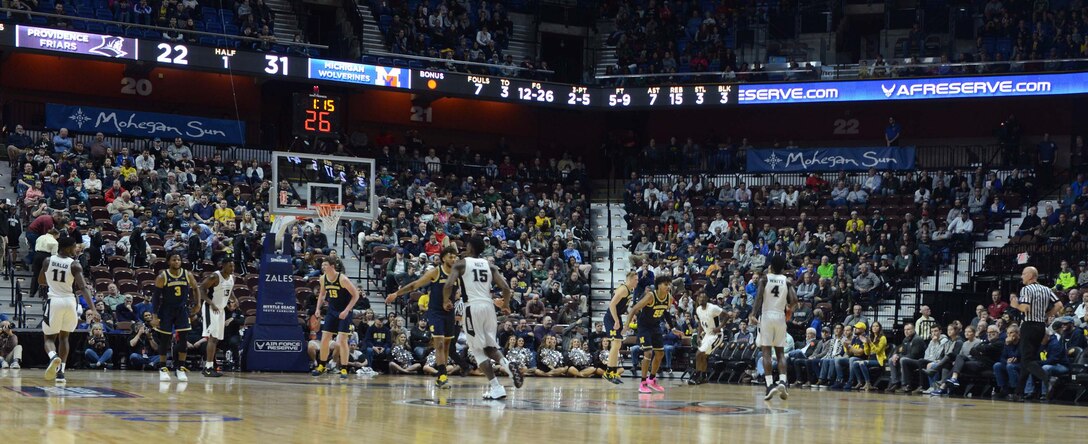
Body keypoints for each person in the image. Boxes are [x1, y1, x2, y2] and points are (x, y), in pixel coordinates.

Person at [444, 236, 522, 400]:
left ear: (470, 247)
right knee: (489, 346)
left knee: (477, 350)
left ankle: (497, 385)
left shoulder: (461, 264)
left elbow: (449, 284)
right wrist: (506, 305)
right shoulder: (490, 265)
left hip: (472, 307)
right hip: (489, 307)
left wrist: (446, 301)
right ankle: (506, 369)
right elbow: (506, 288)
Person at [386, 247, 459, 388]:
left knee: (447, 346)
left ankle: (442, 374)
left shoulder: (457, 274)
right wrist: (396, 294)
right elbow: (414, 285)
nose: (454, 259)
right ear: (443, 258)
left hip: (450, 313)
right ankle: (442, 376)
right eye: (451, 256)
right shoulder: (436, 272)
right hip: (435, 313)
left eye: (455, 257)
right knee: (439, 344)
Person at [38, 236, 97, 383]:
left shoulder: (48, 261)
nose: (76, 249)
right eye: (74, 246)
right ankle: (61, 373)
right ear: (67, 247)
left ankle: (53, 356)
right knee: (64, 337)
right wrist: (93, 309)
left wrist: (53, 282)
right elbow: (83, 287)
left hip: (54, 301)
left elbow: (41, 281)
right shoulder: (75, 264)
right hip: (70, 302)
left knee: (49, 338)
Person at [1008, 266, 1063, 401]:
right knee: (1028, 360)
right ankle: (1018, 393)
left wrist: (1015, 305)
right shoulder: (1047, 289)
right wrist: (1047, 315)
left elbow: (1025, 308)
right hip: (1041, 327)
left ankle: (1047, 378)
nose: (1022, 276)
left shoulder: (1026, 289)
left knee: (1027, 360)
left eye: (1023, 274)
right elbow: (1059, 305)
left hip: (1029, 326)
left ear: (1031, 276)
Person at [751, 255, 798, 401]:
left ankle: (770, 385)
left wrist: (753, 314)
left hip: (767, 316)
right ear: (783, 268)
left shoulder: (764, 279)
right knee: (780, 352)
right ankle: (783, 381)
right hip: (780, 317)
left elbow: (759, 298)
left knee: (766, 352)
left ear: (770, 266)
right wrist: (789, 308)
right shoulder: (787, 281)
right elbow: (794, 300)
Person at [152, 253, 202, 382]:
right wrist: (154, 315)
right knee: (165, 339)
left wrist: (198, 304)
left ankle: (180, 368)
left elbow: (196, 288)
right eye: (174, 260)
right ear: (168, 262)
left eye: (179, 260)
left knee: (183, 340)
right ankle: (163, 368)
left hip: (182, 310)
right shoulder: (162, 276)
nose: (177, 262)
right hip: (166, 310)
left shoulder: (187, 274)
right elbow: (156, 298)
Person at [312, 257, 361, 379]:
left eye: (325, 265)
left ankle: (344, 368)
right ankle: (322, 365)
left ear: (332, 266)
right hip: (332, 311)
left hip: (345, 311)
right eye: (322, 265)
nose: (323, 267)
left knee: (343, 340)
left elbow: (356, 295)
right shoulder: (323, 278)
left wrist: (346, 310)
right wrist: (318, 309)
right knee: (325, 338)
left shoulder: (343, 279)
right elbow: (322, 294)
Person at [627, 275, 675, 394]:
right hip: (644, 327)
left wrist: (673, 327)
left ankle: (651, 379)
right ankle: (643, 383)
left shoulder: (669, 298)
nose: (668, 287)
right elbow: (634, 308)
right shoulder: (650, 296)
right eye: (665, 284)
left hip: (655, 326)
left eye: (669, 284)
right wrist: (626, 325)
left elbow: (666, 313)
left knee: (660, 353)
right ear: (658, 285)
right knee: (648, 353)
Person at [198, 258, 237, 377]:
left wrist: (233, 300)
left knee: (216, 339)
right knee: (213, 337)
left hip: (221, 310)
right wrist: (211, 303)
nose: (232, 268)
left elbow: (229, 291)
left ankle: (210, 366)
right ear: (223, 266)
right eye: (230, 266)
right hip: (210, 308)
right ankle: (208, 367)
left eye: (233, 266)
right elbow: (201, 289)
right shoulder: (215, 276)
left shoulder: (232, 278)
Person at [603, 271, 636, 384]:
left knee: (617, 345)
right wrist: (616, 320)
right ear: (630, 279)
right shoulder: (623, 289)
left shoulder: (630, 290)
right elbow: (612, 304)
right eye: (635, 279)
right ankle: (608, 372)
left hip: (617, 317)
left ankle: (612, 372)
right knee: (615, 344)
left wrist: (629, 313)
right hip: (611, 317)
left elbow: (622, 305)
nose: (637, 281)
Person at [689, 291, 724, 385]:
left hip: (716, 335)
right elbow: (700, 323)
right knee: (703, 356)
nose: (701, 299)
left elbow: (727, 315)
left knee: (698, 354)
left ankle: (696, 375)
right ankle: (704, 377)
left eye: (703, 298)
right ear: (697, 299)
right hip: (707, 335)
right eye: (700, 298)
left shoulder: (713, 308)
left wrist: (719, 327)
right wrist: (698, 337)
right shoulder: (698, 309)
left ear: (707, 299)